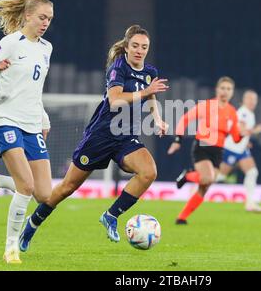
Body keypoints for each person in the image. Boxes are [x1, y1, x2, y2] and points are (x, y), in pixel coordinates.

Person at [18, 25, 169, 252]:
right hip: (100, 136)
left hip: (126, 137)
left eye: (144, 47)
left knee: (149, 172)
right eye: (135, 45)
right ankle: (32, 224)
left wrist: (158, 119)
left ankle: (111, 216)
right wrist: (146, 92)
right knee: (67, 187)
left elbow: (151, 96)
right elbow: (116, 100)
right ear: (126, 46)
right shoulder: (118, 68)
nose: (139, 50)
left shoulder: (150, 72)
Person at [0, 0, 54, 263]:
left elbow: (35, 89)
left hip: (32, 123)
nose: (46, 23)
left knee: (44, 194)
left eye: (50, 19)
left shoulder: (46, 48)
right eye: (42, 17)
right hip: (6, 120)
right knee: (26, 186)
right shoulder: (9, 42)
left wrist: (43, 119)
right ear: (28, 15)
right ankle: (11, 247)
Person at [167, 76, 241, 224]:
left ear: (232, 92)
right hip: (203, 147)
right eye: (222, 88)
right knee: (207, 178)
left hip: (218, 151)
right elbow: (185, 119)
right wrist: (178, 139)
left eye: (228, 89)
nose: (225, 92)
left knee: (205, 187)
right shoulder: (207, 106)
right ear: (217, 90)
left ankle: (181, 217)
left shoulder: (232, 112)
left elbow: (235, 137)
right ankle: (187, 176)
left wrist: (243, 135)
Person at [217, 90, 261, 213]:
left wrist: (246, 141)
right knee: (219, 176)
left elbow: (241, 133)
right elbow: (241, 130)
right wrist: (256, 130)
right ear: (244, 100)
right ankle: (196, 186)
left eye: (254, 99)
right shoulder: (243, 113)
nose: (252, 102)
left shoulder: (249, 113)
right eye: (249, 99)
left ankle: (250, 203)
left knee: (252, 172)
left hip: (241, 149)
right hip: (231, 149)